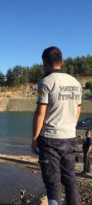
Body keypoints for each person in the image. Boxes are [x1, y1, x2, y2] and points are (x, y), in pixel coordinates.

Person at [31, 47, 82, 205]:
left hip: (50, 140)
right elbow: (78, 110)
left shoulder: (45, 83)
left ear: (45, 63)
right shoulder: (76, 83)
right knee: (70, 180)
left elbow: (40, 113)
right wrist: (70, 126)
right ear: (62, 62)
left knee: (53, 184)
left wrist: (34, 138)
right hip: (70, 137)